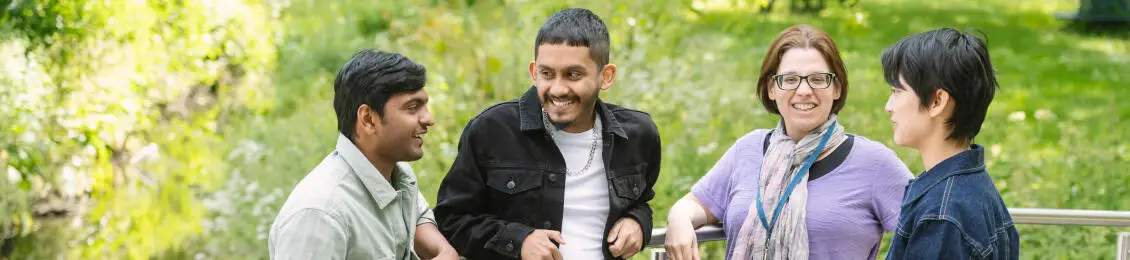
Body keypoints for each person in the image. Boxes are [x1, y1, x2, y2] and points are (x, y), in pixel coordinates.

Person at [663, 24, 914, 260]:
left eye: (817, 79)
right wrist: (679, 219)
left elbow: (931, 229)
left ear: (836, 88)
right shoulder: (748, 149)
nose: (804, 90)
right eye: (790, 79)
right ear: (772, 88)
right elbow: (695, 204)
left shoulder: (874, 162)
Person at [433, 8, 662, 260]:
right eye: (547, 74)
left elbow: (641, 201)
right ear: (533, 72)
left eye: (572, 75)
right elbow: (450, 220)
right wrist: (519, 241)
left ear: (605, 77)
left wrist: (637, 221)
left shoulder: (638, 135)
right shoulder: (492, 130)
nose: (558, 89)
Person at [269, 49, 458, 260]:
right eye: (412, 108)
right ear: (368, 119)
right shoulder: (320, 214)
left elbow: (416, 216)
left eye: (425, 106)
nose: (428, 119)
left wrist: (445, 252)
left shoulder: (397, 175)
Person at [882, 28, 1019, 259]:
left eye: (897, 91)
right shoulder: (974, 187)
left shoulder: (941, 216)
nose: (889, 105)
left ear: (937, 101)